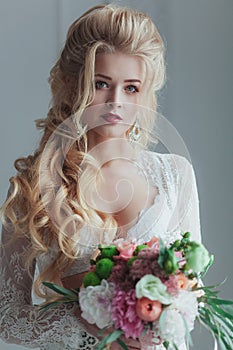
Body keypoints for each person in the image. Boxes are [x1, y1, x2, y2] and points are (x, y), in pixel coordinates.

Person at [0, 3, 201, 350]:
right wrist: (98, 322)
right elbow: (7, 316)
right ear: (74, 84)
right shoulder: (37, 187)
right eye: (102, 84)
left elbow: (193, 295)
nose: (115, 103)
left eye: (131, 88)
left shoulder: (174, 175)